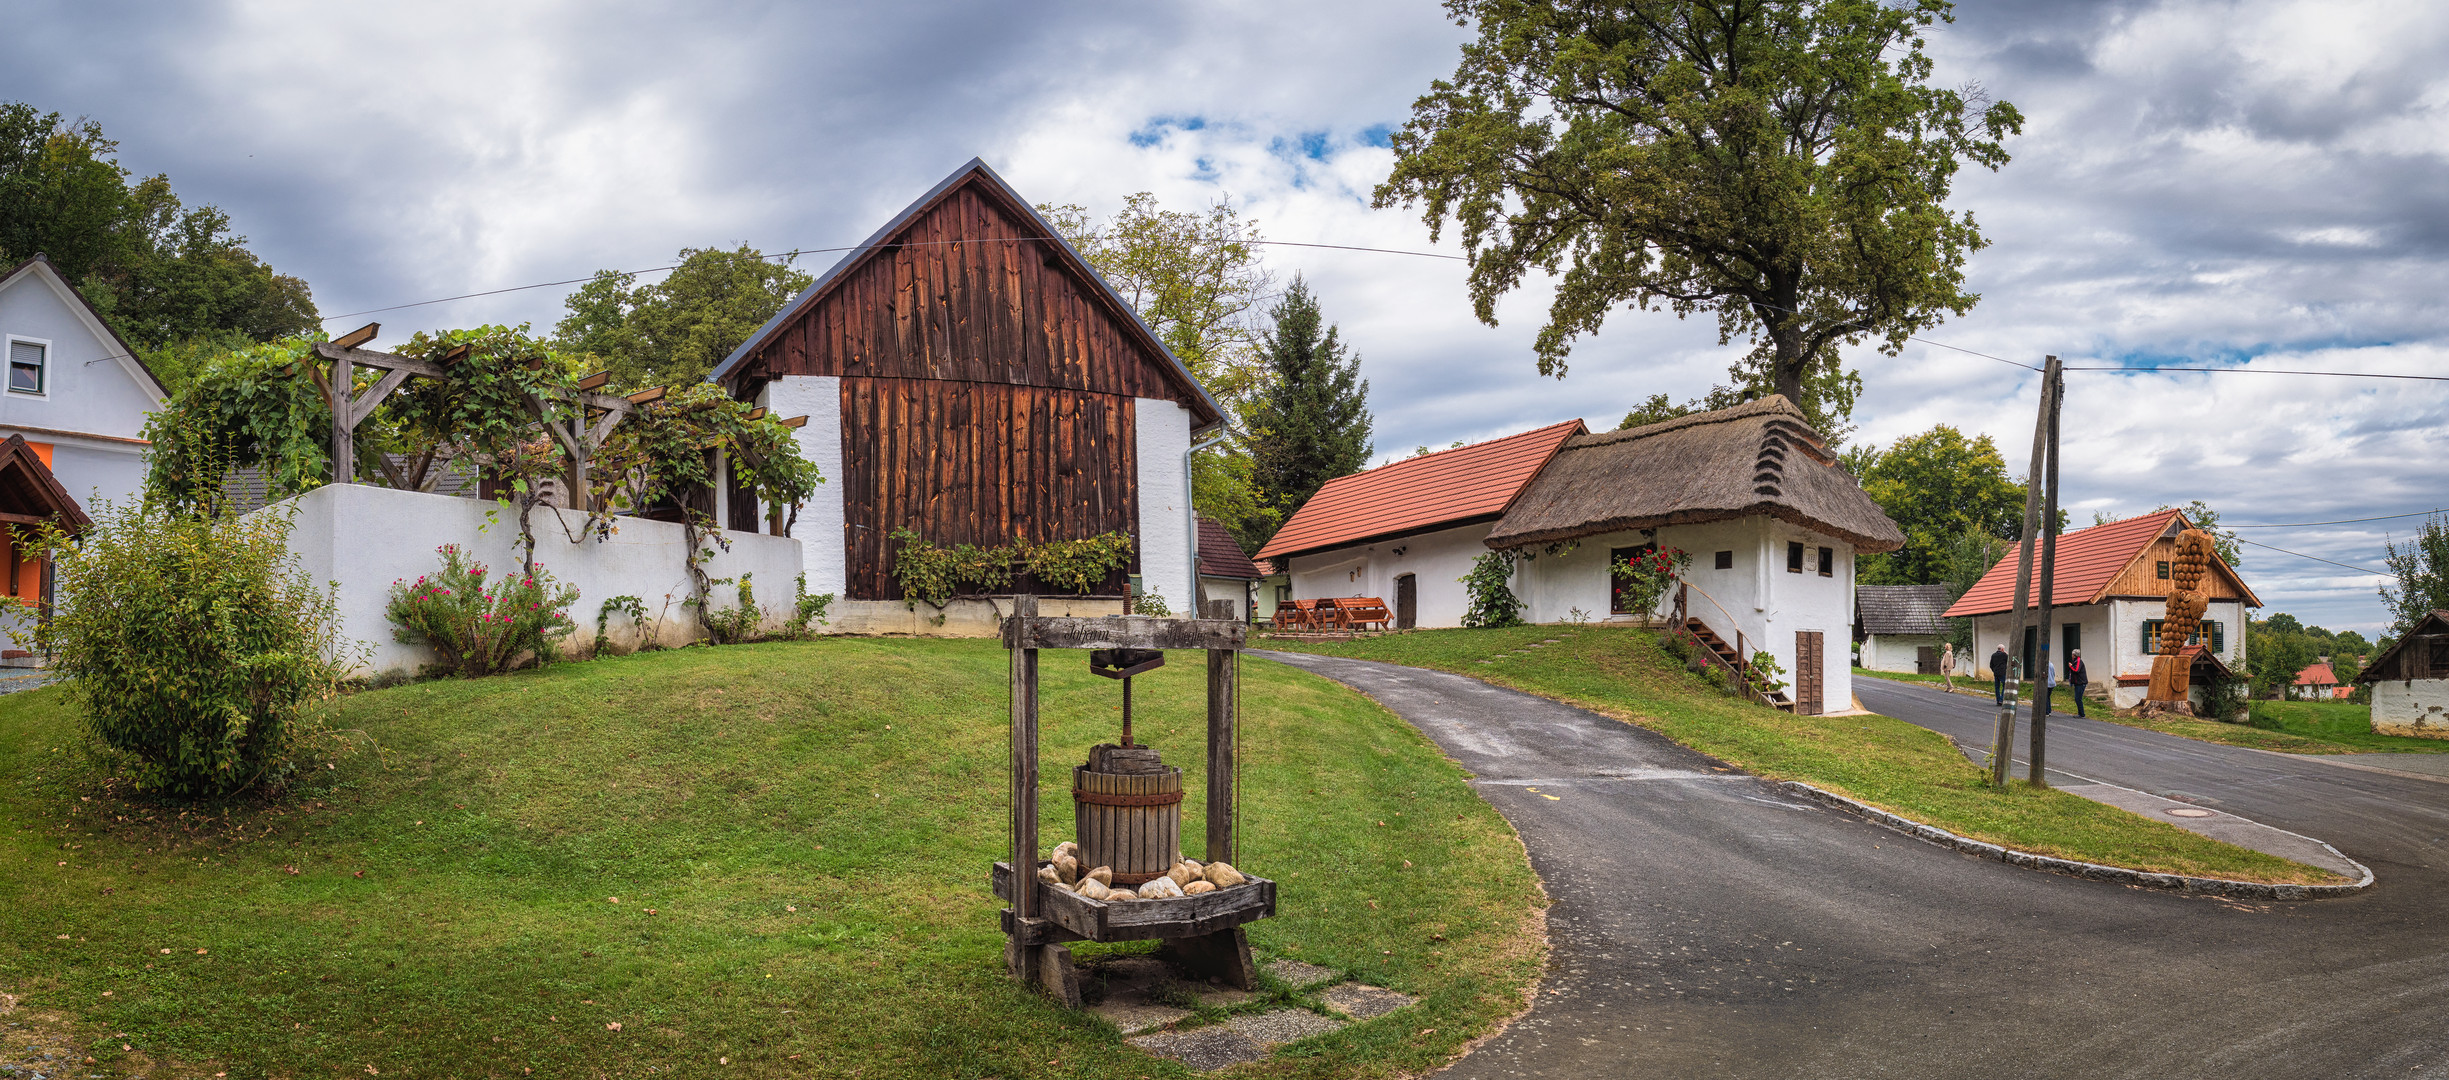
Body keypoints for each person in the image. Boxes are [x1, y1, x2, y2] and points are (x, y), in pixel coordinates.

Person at [2066, 649, 2089, 717]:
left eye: (2072, 654)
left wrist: (2071, 666)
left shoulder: (2079, 661)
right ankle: (2080, 713)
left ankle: (2081, 714)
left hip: (2081, 683)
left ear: (2075, 655)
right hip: (2077, 683)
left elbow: (2076, 670)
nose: (2071, 655)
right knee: (2077, 698)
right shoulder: (2075, 661)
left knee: (2078, 698)